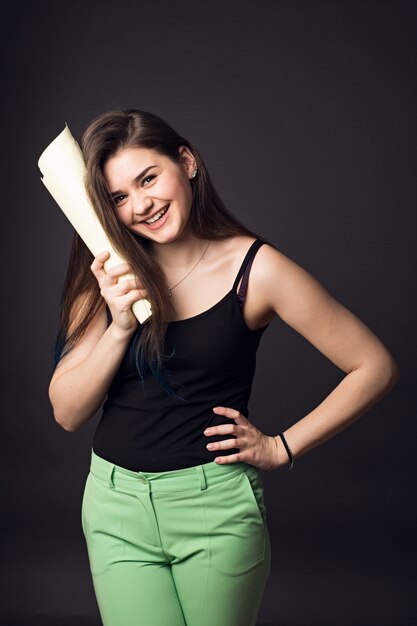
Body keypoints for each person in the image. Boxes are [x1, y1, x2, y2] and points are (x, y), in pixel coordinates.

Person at [48, 109, 400, 626]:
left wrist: (280, 448)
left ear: (186, 162)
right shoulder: (106, 272)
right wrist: (120, 324)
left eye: (149, 178)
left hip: (214, 511)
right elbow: (67, 413)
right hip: (114, 507)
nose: (141, 205)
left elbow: (374, 366)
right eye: (119, 198)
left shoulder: (257, 270)